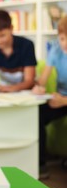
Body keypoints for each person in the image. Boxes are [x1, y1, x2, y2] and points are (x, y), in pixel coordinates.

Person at [32, 16, 67, 179]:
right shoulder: (56, 50)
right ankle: (40, 163)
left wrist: (63, 101)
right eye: (62, 38)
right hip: (59, 99)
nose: (64, 43)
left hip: (63, 100)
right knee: (37, 114)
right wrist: (39, 87)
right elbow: (43, 79)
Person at [0, 9, 37, 92]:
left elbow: (29, 81)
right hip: (3, 93)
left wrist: (11, 88)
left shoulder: (27, 45)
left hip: (25, 92)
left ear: (11, 28)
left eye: (2, 36)